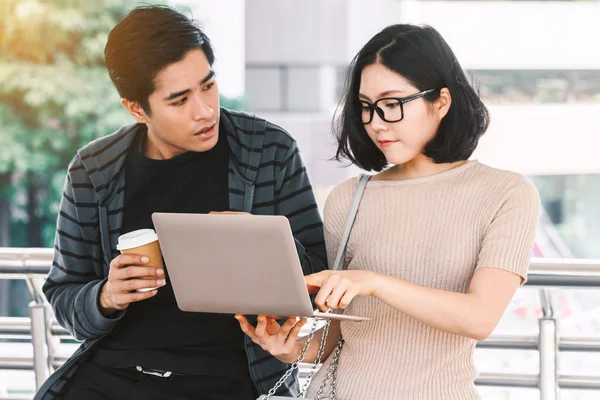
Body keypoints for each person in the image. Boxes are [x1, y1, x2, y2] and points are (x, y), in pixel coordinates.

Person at [35, 5, 327, 400]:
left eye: (208, 85)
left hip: (228, 378)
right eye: (179, 100)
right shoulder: (93, 170)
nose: (205, 111)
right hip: (113, 375)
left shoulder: (270, 153)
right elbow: (64, 292)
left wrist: (265, 246)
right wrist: (106, 296)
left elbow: (319, 280)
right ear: (137, 108)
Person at [237, 24, 540, 400]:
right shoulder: (348, 197)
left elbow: (479, 318)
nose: (376, 123)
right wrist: (291, 349)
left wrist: (374, 282)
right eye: (365, 107)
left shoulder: (506, 193)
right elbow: (337, 339)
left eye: (392, 104)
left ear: (441, 101)